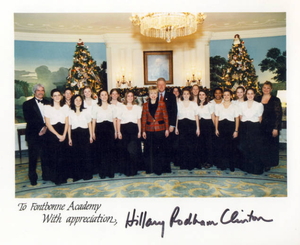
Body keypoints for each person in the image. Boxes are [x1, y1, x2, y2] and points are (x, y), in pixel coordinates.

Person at [22, 84, 50, 186]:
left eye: (42, 90)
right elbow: (29, 119)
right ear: (34, 92)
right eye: (38, 90)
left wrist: (46, 127)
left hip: (46, 134)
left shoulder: (48, 102)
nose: (41, 92)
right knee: (33, 158)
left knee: (45, 156)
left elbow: (50, 117)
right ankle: (33, 178)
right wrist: (41, 128)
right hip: (33, 135)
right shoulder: (27, 104)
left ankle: (46, 175)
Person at [142, 86, 169, 175]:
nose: (153, 95)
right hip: (149, 130)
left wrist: (167, 129)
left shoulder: (162, 104)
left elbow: (165, 117)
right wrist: (143, 131)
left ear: (157, 95)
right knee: (149, 150)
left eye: (155, 93)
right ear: (149, 95)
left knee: (159, 150)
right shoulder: (145, 105)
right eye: (151, 93)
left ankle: (159, 169)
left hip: (160, 130)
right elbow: (144, 119)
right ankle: (150, 169)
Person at [44, 89, 69, 185]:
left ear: (61, 96)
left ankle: (63, 176)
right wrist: (57, 135)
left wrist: (64, 134)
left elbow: (67, 122)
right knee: (54, 156)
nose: (57, 97)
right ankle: (56, 178)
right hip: (52, 133)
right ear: (51, 97)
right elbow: (47, 123)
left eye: (59, 95)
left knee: (63, 156)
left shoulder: (65, 107)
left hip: (63, 131)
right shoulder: (48, 107)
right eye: (55, 95)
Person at [255, 81, 282, 171]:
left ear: (271, 89)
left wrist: (276, 128)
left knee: (269, 146)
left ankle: (268, 164)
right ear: (262, 88)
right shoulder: (258, 98)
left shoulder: (275, 100)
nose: (266, 89)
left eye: (268, 88)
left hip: (271, 126)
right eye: (264, 87)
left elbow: (278, 115)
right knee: (260, 145)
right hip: (260, 126)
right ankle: (261, 162)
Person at [92, 90, 118, 178]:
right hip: (99, 129)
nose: (104, 96)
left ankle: (110, 172)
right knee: (101, 151)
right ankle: (102, 172)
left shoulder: (112, 107)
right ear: (99, 97)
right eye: (102, 95)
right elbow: (94, 120)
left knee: (110, 151)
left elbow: (114, 119)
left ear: (108, 96)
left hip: (110, 129)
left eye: (105, 95)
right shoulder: (96, 107)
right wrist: (93, 132)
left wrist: (115, 131)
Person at [68, 94, 93, 181]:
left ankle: (86, 174)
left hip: (84, 134)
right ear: (73, 102)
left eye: (80, 100)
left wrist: (90, 135)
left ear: (82, 102)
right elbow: (69, 126)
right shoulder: (70, 112)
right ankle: (77, 175)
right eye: (76, 100)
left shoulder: (86, 111)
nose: (78, 102)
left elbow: (89, 124)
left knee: (85, 154)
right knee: (76, 155)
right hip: (75, 135)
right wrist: (69, 138)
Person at [239, 88, 264, 174]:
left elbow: (260, 118)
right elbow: (240, 117)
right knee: (245, 147)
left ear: (254, 95)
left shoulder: (259, 105)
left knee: (254, 148)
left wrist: (256, 129)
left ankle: (254, 168)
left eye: (251, 94)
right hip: (244, 127)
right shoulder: (242, 105)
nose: (250, 95)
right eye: (248, 94)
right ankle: (246, 167)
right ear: (246, 95)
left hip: (254, 128)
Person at [117, 91, 142, 176]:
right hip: (124, 130)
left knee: (133, 151)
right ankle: (126, 170)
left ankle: (133, 170)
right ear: (125, 97)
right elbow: (118, 121)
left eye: (131, 96)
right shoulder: (121, 108)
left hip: (134, 130)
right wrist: (118, 131)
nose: (130, 97)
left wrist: (139, 131)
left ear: (133, 97)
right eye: (128, 96)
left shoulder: (137, 108)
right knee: (126, 150)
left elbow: (139, 120)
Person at [175, 87, 200, 170]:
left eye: (187, 94)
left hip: (191, 125)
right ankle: (184, 164)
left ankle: (191, 164)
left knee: (191, 145)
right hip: (182, 125)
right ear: (182, 95)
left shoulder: (194, 104)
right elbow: (177, 116)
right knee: (183, 145)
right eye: (184, 94)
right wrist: (176, 127)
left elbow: (196, 116)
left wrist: (198, 128)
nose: (186, 95)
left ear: (190, 95)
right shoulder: (179, 104)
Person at [215, 89, 240, 171]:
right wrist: (216, 129)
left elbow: (237, 118)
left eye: (228, 95)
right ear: (223, 96)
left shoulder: (235, 106)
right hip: (221, 127)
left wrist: (236, 130)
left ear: (231, 96)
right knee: (222, 147)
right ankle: (223, 164)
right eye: (225, 95)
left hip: (231, 127)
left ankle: (231, 165)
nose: (226, 96)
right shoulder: (218, 106)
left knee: (231, 147)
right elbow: (217, 118)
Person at [157, 77, 178, 171]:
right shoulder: (153, 95)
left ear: (165, 85)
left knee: (167, 145)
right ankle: (159, 164)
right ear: (157, 86)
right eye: (159, 84)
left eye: (162, 84)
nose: (161, 86)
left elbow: (174, 111)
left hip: (168, 125)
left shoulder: (171, 96)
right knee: (159, 145)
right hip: (157, 126)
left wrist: (172, 125)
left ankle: (166, 165)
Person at [196, 89, 215, 169]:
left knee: (208, 144)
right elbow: (196, 116)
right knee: (201, 144)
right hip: (200, 124)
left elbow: (213, 116)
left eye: (203, 94)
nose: (201, 96)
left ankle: (209, 162)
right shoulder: (196, 104)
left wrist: (215, 128)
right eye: (200, 94)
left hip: (208, 125)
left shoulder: (210, 104)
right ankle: (202, 161)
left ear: (206, 96)